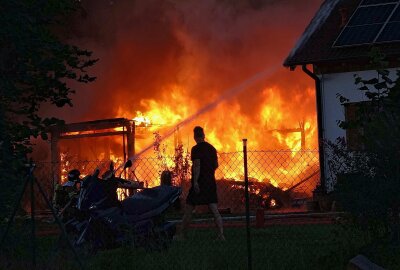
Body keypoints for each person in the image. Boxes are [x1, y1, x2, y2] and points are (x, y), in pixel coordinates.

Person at [177, 126, 225, 241]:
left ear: (195, 137)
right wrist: (209, 172)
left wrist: (196, 182)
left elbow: (197, 165)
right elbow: (216, 165)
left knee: (189, 209)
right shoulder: (212, 148)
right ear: (203, 135)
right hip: (210, 182)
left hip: (199, 183)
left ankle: (182, 235)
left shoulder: (196, 149)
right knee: (214, 210)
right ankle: (221, 235)